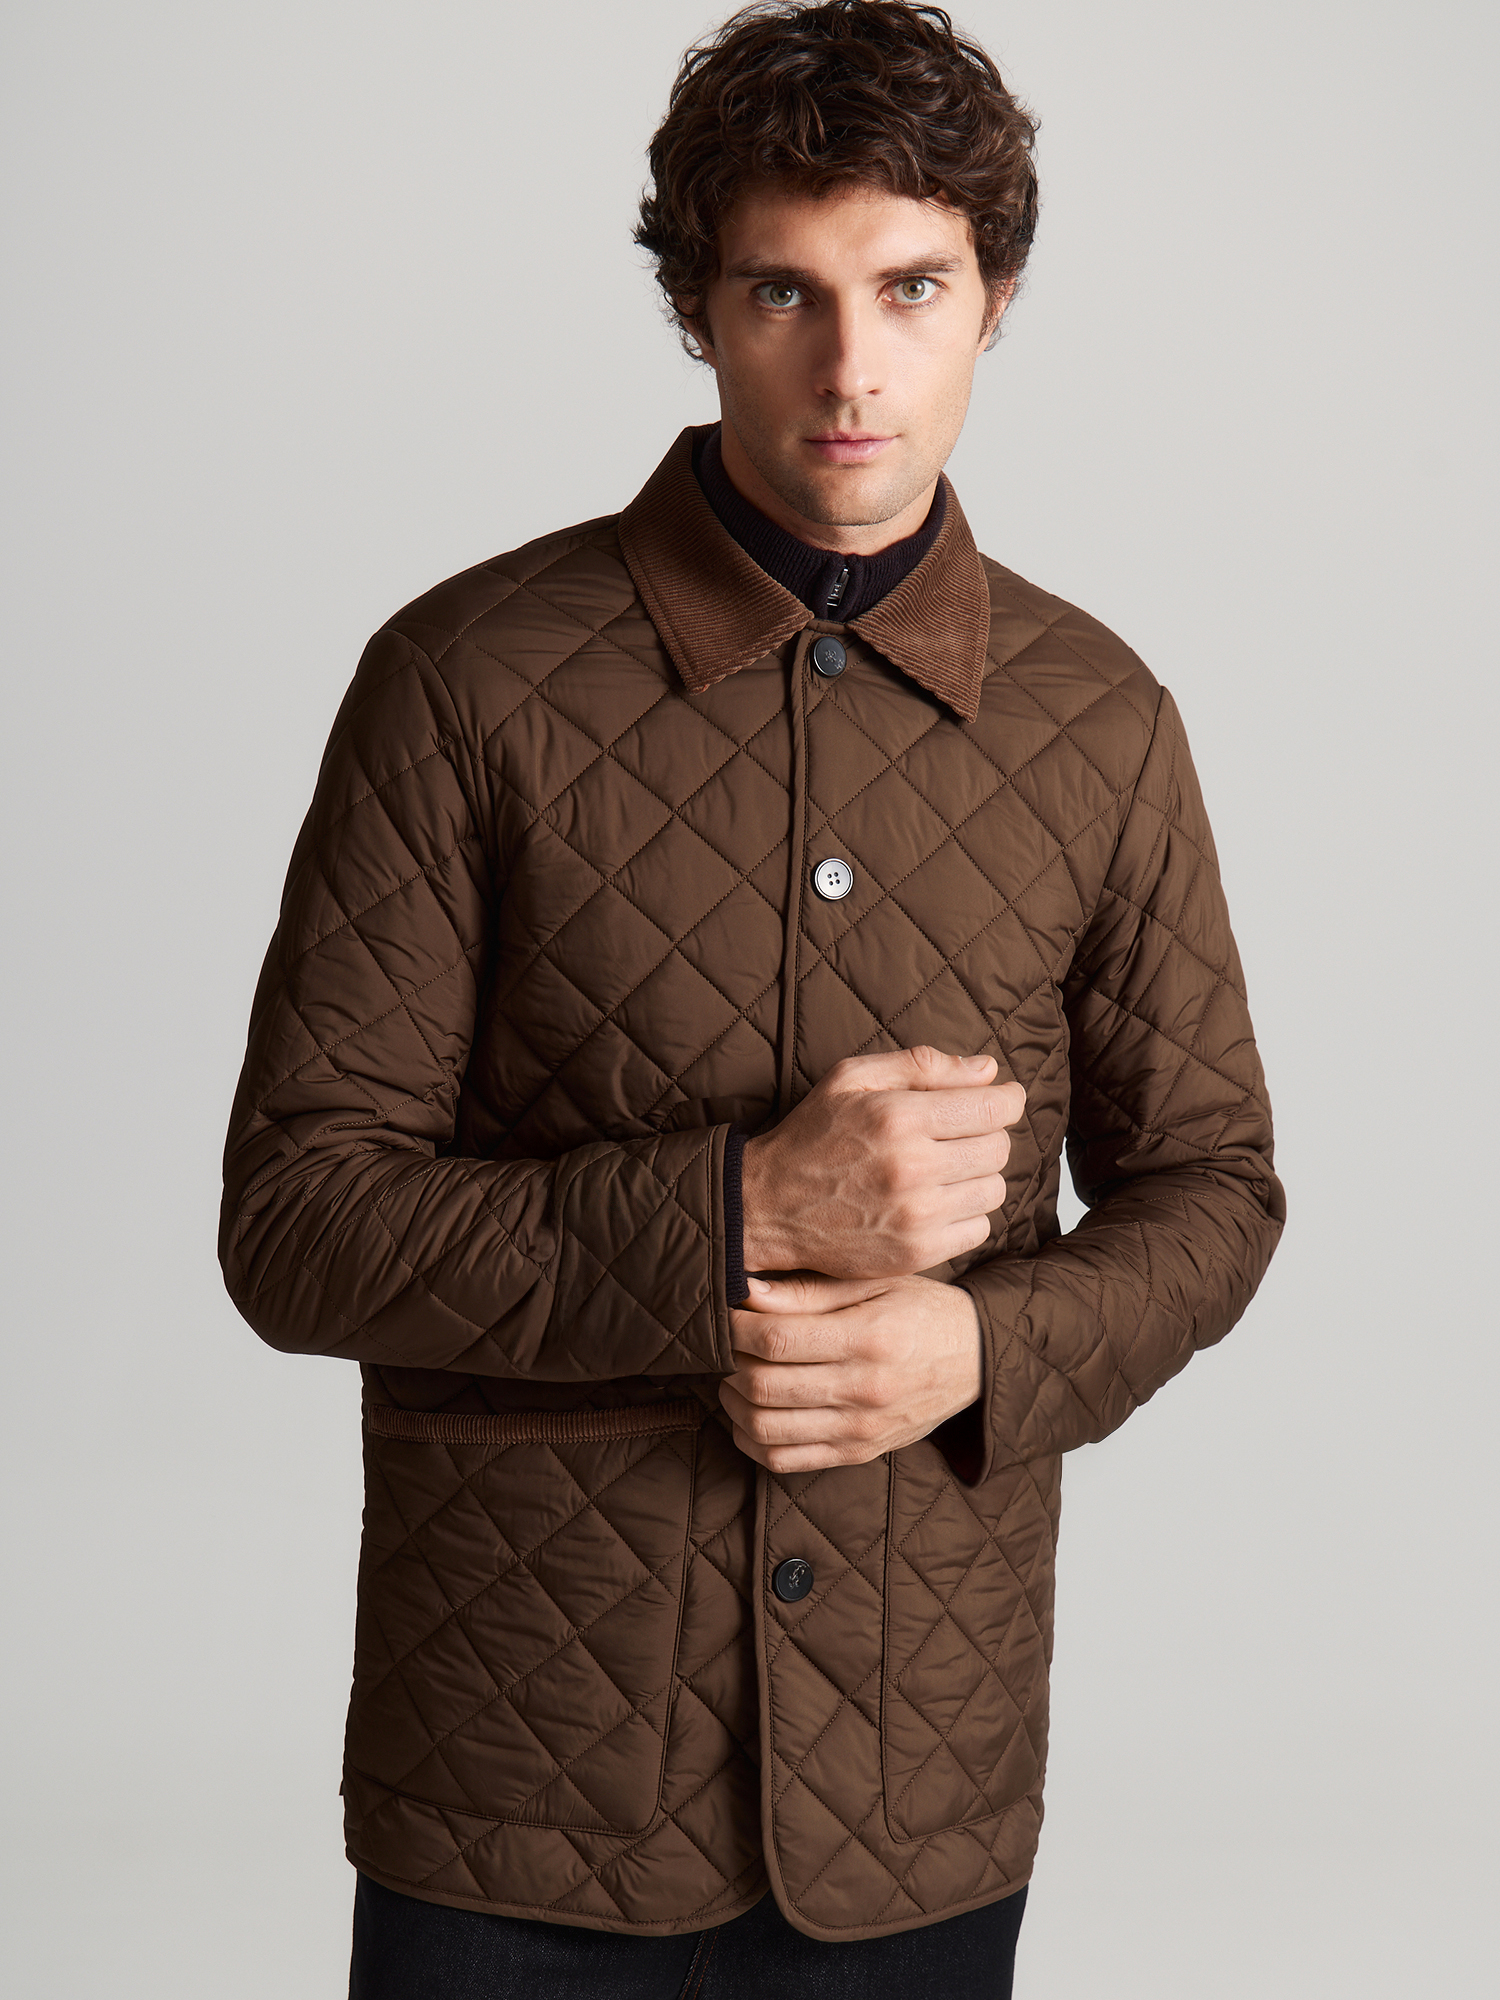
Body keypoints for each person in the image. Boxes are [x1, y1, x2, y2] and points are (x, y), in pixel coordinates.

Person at [219, 4, 1284, 1993]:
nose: (853, 366)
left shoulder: (1103, 720)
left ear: (997, 298)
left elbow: (1215, 1189)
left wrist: (981, 1348)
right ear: (697, 311)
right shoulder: (464, 681)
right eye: (784, 291)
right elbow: (297, 1224)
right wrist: (741, 1212)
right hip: (521, 1769)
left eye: (912, 287)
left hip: (917, 1768)